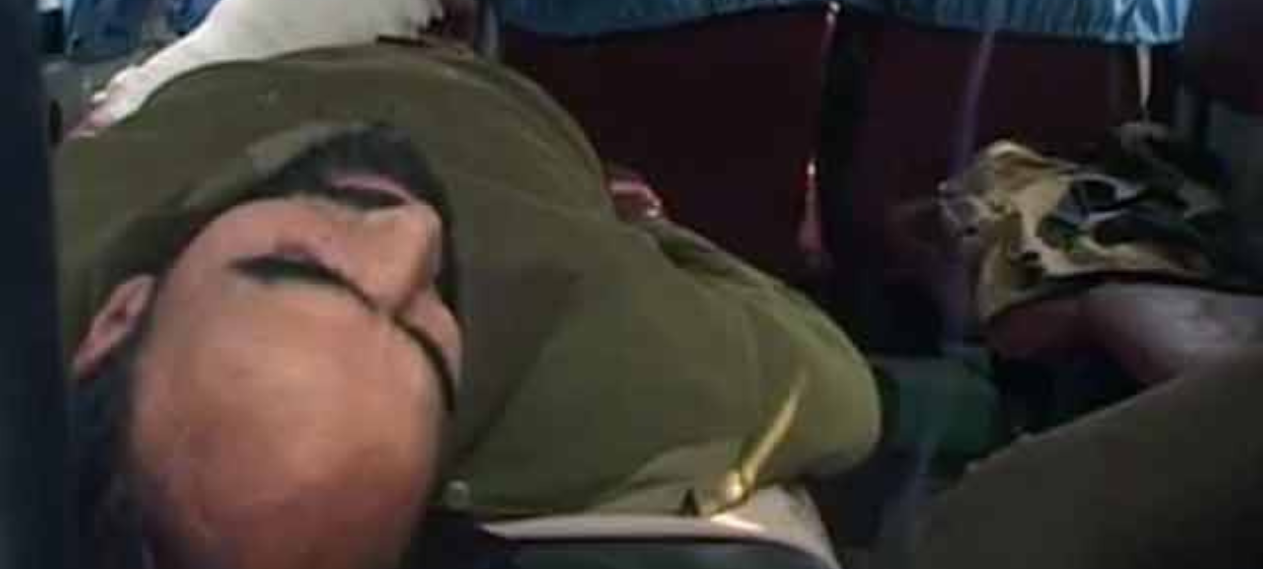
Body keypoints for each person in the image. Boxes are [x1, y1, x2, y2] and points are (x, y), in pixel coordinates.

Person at [59, 2, 881, 568]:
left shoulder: (45, 258)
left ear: (120, 314)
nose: (412, 235)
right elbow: (841, 395)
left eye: (300, 267)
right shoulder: (605, 365)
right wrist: (638, 219)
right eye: (426, 335)